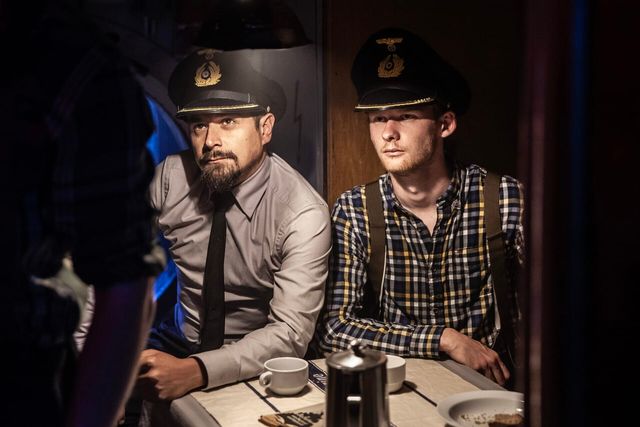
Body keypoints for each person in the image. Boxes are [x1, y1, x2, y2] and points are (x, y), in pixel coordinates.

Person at [315, 27, 524, 387]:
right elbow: (334, 329)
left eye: (406, 116)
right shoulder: (355, 210)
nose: (388, 132)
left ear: (445, 124)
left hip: (492, 392)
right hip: (402, 393)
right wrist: (443, 339)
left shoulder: (505, 199)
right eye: (378, 118)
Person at [132, 48, 331, 416]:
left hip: (254, 361)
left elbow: (289, 334)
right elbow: (112, 261)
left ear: (265, 128)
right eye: (199, 125)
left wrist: (196, 371)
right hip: (178, 341)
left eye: (227, 121)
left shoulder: (302, 213)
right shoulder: (170, 178)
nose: (210, 140)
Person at [0, 1, 162, 427]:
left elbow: (125, 284)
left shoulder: (77, 68)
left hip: (19, 381)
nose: (210, 140)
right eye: (198, 126)